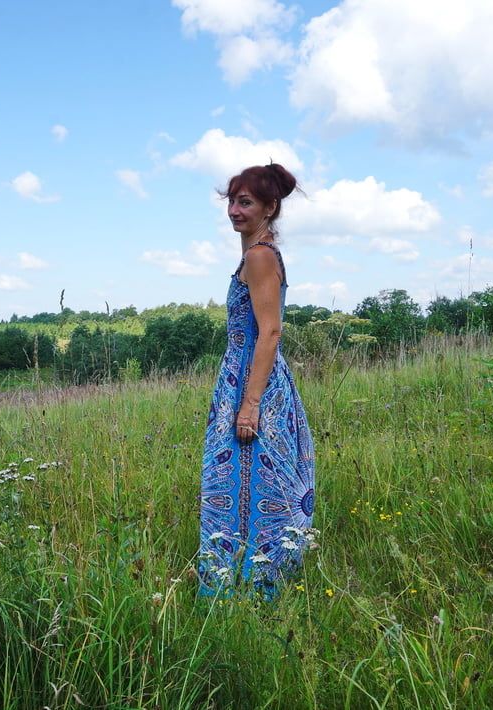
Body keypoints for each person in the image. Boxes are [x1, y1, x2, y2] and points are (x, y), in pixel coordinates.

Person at [198, 163, 316, 599]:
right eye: (231, 201)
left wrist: (249, 405)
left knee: (247, 483)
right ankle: (254, 588)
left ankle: (245, 591)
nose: (233, 210)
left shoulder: (260, 256)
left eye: (245, 202)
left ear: (270, 207)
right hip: (251, 381)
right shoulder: (258, 253)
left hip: (253, 386)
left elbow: (269, 331)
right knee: (250, 485)